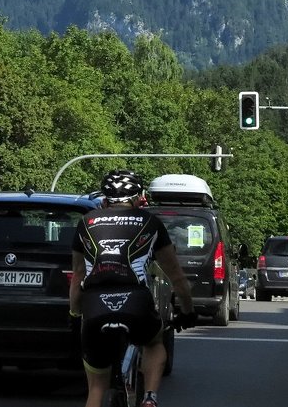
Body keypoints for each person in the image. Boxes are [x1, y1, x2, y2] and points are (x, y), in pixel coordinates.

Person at [70, 170, 195, 407]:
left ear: (104, 201)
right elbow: (177, 277)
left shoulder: (85, 222)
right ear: (139, 198)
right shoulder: (151, 222)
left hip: (95, 303)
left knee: (96, 388)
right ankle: (149, 397)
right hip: (136, 301)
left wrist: (75, 315)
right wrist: (187, 311)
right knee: (154, 342)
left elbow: (77, 276)